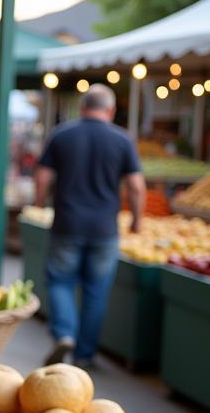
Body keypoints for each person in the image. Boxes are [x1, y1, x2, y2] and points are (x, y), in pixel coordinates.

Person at [34, 83, 145, 368]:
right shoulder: (123, 140)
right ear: (111, 110)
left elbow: (42, 176)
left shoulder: (62, 134)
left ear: (83, 107)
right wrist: (137, 219)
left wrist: (39, 203)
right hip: (104, 228)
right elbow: (136, 186)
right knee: (96, 292)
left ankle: (64, 333)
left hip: (67, 222)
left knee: (60, 282)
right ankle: (85, 354)